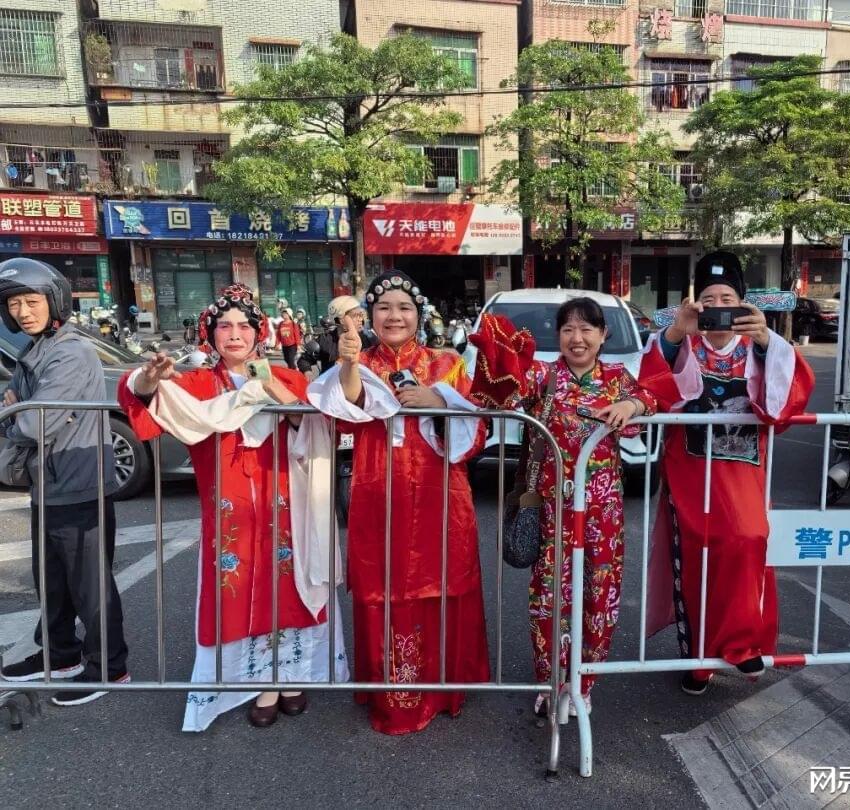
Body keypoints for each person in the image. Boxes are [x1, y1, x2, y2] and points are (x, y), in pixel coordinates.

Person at [117, 283, 348, 730]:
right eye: (225, 326)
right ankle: (259, 682)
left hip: (287, 502)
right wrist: (148, 378)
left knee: (290, 585)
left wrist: (273, 392)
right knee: (242, 588)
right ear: (211, 333)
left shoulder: (288, 379)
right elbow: (144, 398)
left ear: (260, 333)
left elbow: (319, 423)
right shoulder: (198, 383)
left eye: (245, 325)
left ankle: (294, 676)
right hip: (230, 505)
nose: (235, 334)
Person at [307, 271, 489, 735]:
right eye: (384, 307)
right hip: (379, 492)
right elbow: (345, 406)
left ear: (419, 314)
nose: (395, 316)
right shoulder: (361, 361)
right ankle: (395, 694)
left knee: (441, 583)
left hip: (440, 495)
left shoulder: (447, 363)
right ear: (369, 316)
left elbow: (476, 430)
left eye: (404, 307)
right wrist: (347, 365)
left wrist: (439, 400)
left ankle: (443, 689)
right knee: (384, 588)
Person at [470, 299, 662, 716]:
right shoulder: (545, 375)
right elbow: (508, 388)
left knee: (600, 596)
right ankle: (551, 684)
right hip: (553, 510)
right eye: (569, 330)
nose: (578, 338)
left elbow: (651, 396)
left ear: (603, 335)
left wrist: (631, 406)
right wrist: (497, 350)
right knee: (549, 598)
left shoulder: (616, 377)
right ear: (558, 336)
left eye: (587, 329)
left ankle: (583, 684)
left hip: (603, 512)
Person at [644, 250, 815, 696]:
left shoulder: (764, 347)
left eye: (727, 296)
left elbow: (787, 401)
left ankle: (742, 643)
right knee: (698, 557)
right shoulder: (682, 342)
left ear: (743, 302)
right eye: (708, 297)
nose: (718, 304)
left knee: (750, 540)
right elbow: (649, 387)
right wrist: (676, 332)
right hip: (691, 470)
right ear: (695, 303)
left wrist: (765, 341)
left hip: (743, 472)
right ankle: (698, 658)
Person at [0, 258, 130, 706]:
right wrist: (17, 409)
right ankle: (61, 655)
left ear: (53, 300)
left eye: (30, 301)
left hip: (79, 483)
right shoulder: (35, 350)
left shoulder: (70, 352)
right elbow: (16, 407)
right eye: (14, 303)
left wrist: (15, 413)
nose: (22, 311)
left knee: (89, 586)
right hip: (48, 483)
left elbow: (35, 423)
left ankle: (110, 668)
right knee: (51, 580)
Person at [297, 295, 369, 379]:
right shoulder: (325, 340)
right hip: (329, 387)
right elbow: (304, 360)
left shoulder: (367, 340)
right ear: (341, 319)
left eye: (361, 315)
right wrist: (307, 372)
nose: (360, 319)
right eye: (356, 315)